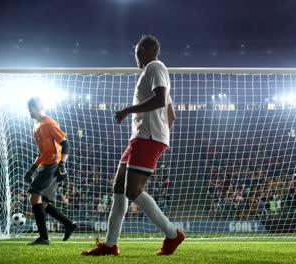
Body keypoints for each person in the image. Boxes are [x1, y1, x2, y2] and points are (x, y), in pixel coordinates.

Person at [82, 35, 184, 256]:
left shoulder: (155, 67)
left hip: (147, 138)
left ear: (147, 50)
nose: (135, 55)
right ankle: (110, 245)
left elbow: (159, 100)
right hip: (141, 137)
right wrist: (161, 134)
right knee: (119, 188)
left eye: (138, 51)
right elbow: (171, 114)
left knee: (132, 190)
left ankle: (173, 234)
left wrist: (129, 111)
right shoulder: (154, 72)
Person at [25, 97, 77, 245]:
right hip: (46, 165)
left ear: (37, 107)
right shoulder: (36, 127)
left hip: (53, 165)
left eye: (30, 108)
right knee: (42, 204)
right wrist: (32, 169)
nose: (28, 111)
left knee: (34, 197)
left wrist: (62, 165)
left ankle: (44, 238)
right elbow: (42, 153)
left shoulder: (49, 123)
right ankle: (68, 224)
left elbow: (65, 144)